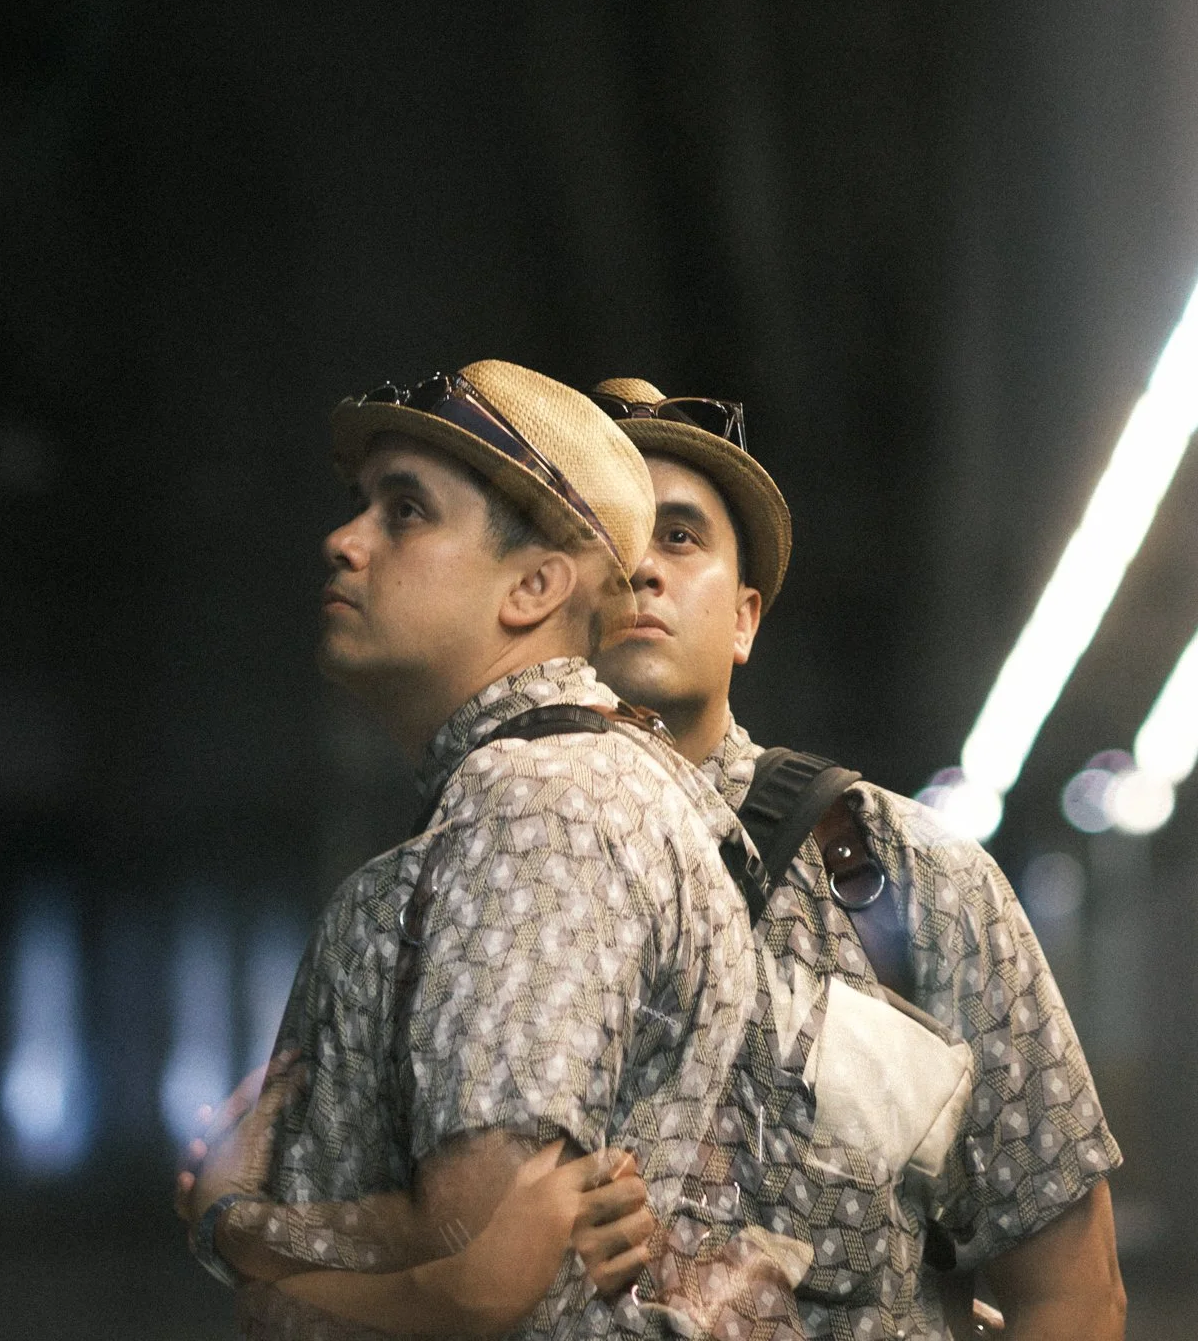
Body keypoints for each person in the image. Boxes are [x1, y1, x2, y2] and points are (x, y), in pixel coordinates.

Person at [175, 360, 764, 1340]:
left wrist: (235, 1226)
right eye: (361, 505)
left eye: (405, 512)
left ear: (534, 586)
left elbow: (482, 1257)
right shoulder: (578, 782)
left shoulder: (538, 805)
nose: (344, 540)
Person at [586, 378, 1128, 1341]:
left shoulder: (913, 883)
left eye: (679, 535)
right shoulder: (452, 897)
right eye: (602, 534)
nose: (640, 568)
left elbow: (1070, 1291)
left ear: (745, 618)